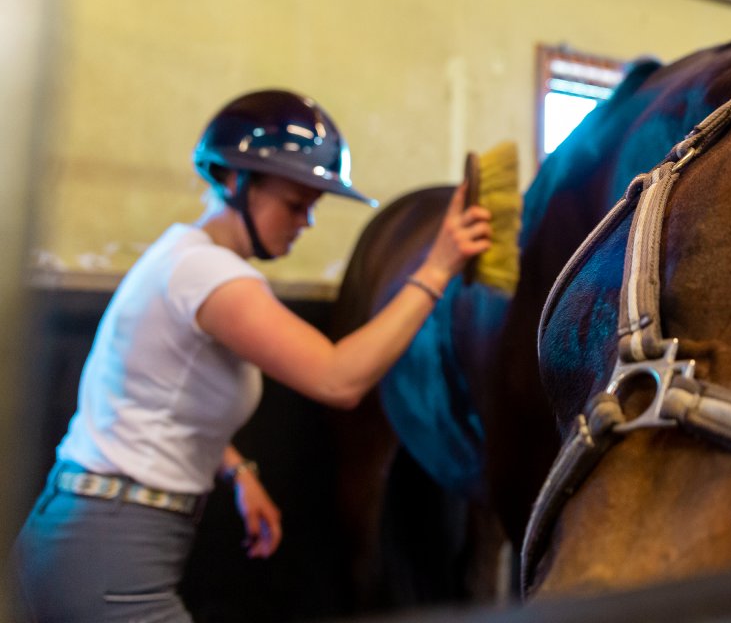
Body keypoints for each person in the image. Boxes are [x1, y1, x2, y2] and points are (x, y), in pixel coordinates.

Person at [11, 88, 492, 621]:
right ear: (236, 181)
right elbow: (338, 379)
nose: (305, 223)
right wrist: (436, 269)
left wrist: (237, 470)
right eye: (295, 205)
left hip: (96, 530)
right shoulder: (210, 274)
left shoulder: (184, 256)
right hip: (108, 547)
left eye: (312, 207)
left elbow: (161, 393)